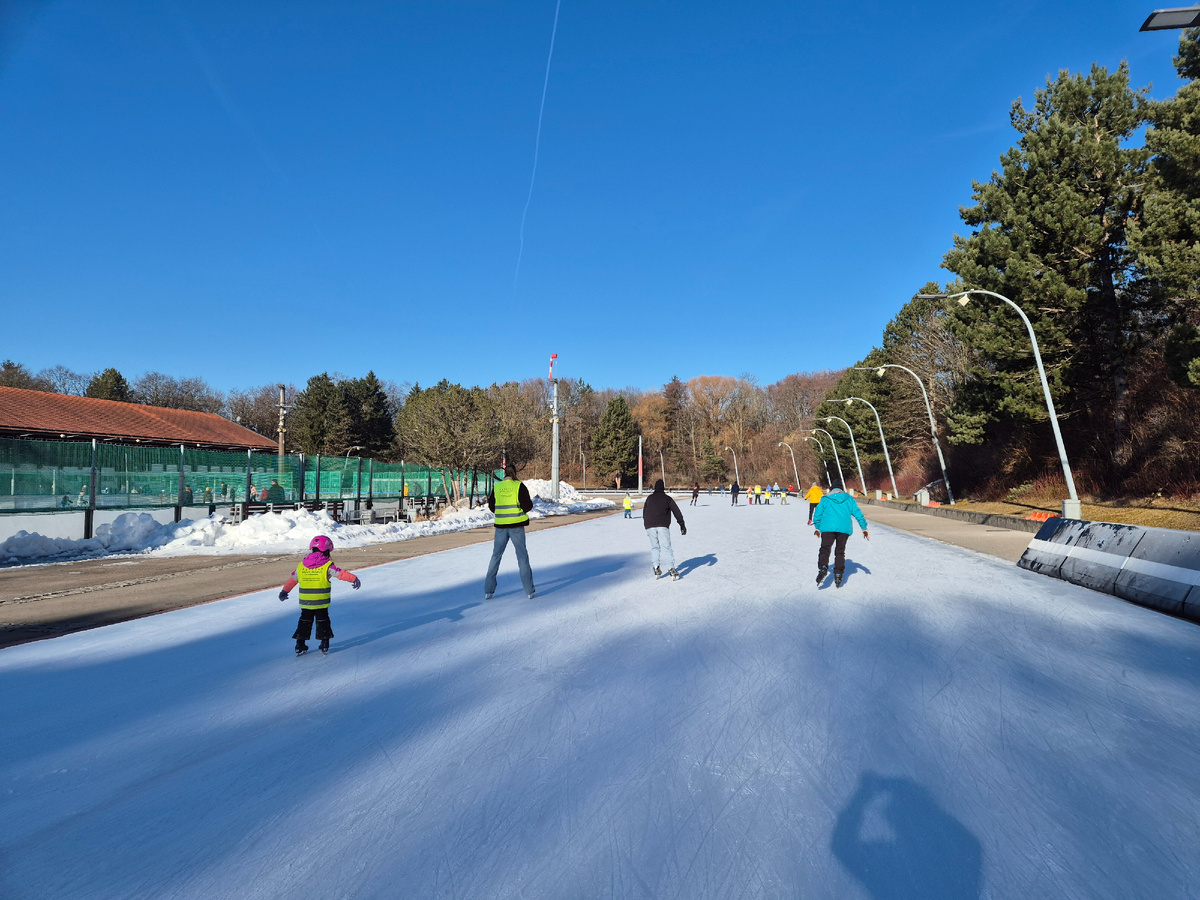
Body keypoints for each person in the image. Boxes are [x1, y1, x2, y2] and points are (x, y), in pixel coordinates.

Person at [278, 535, 361, 655]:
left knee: (304, 621)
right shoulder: (327, 565)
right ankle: (324, 644)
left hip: (306, 601)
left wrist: (284, 591)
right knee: (323, 621)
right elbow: (340, 574)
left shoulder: (301, 566)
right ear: (327, 550)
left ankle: (299, 644)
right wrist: (354, 578)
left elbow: (293, 580)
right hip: (321, 601)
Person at [484, 465, 536, 599]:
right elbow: (527, 505)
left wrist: (502, 513)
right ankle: (529, 590)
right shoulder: (519, 486)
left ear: (504, 474)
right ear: (515, 473)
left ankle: (488, 590)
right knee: (522, 557)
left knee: (496, 556)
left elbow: (492, 506)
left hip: (501, 526)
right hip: (516, 526)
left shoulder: (497, 487)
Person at [813, 486, 869, 588]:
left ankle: (823, 567)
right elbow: (858, 513)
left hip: (828, 528)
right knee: (840, 551)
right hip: (844, 529)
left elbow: (818, 513)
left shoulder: (825, 499)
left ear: (831, 489)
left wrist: (817, 527)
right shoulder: (849, 499)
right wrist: (864, 528)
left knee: (825, 548)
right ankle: (838, 574)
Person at [642, 478, 685, 580]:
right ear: (663, 488)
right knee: (666, 547)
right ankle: (671, 569)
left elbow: (644, 512)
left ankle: (656, 567)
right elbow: (676, 511)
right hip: (662, 525)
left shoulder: (649, 498)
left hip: (649, 525)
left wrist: (647, 524)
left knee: (655, 547)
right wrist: (682, 524)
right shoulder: (667, 498)